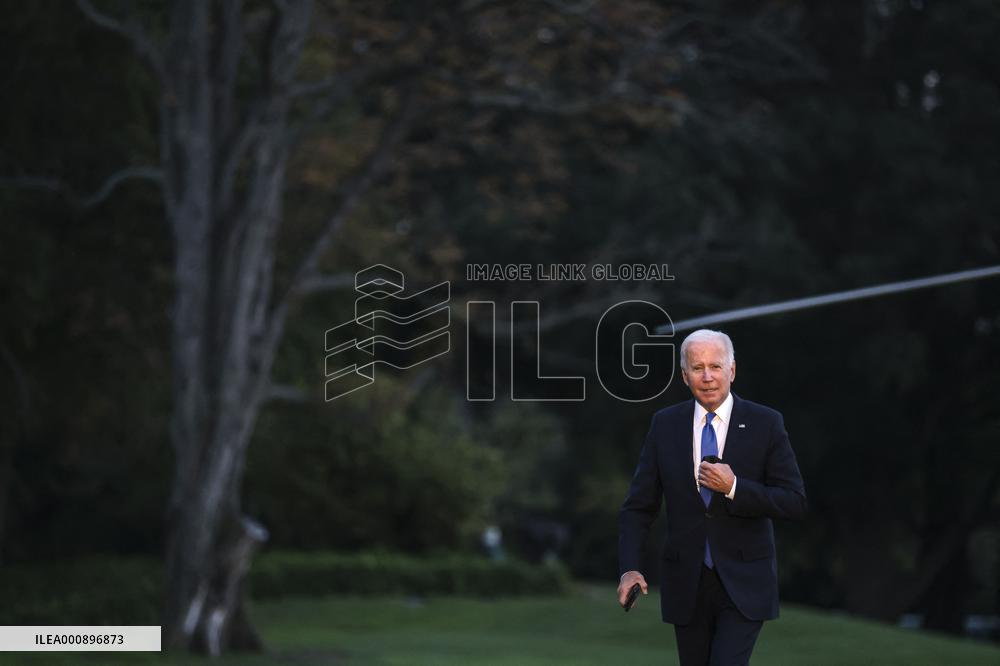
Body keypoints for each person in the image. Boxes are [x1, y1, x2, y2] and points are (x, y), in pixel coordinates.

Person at [617, 329, 807, 665]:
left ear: (732, 371)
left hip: (744, 583)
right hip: (685, 584)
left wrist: (735, 487)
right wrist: (630, 568)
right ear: (684, 375)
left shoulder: (765, 423)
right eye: (698, 367)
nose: (707, 377)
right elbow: (638, 507)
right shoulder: (665, 425)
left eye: (716, 367)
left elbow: (794, 500)